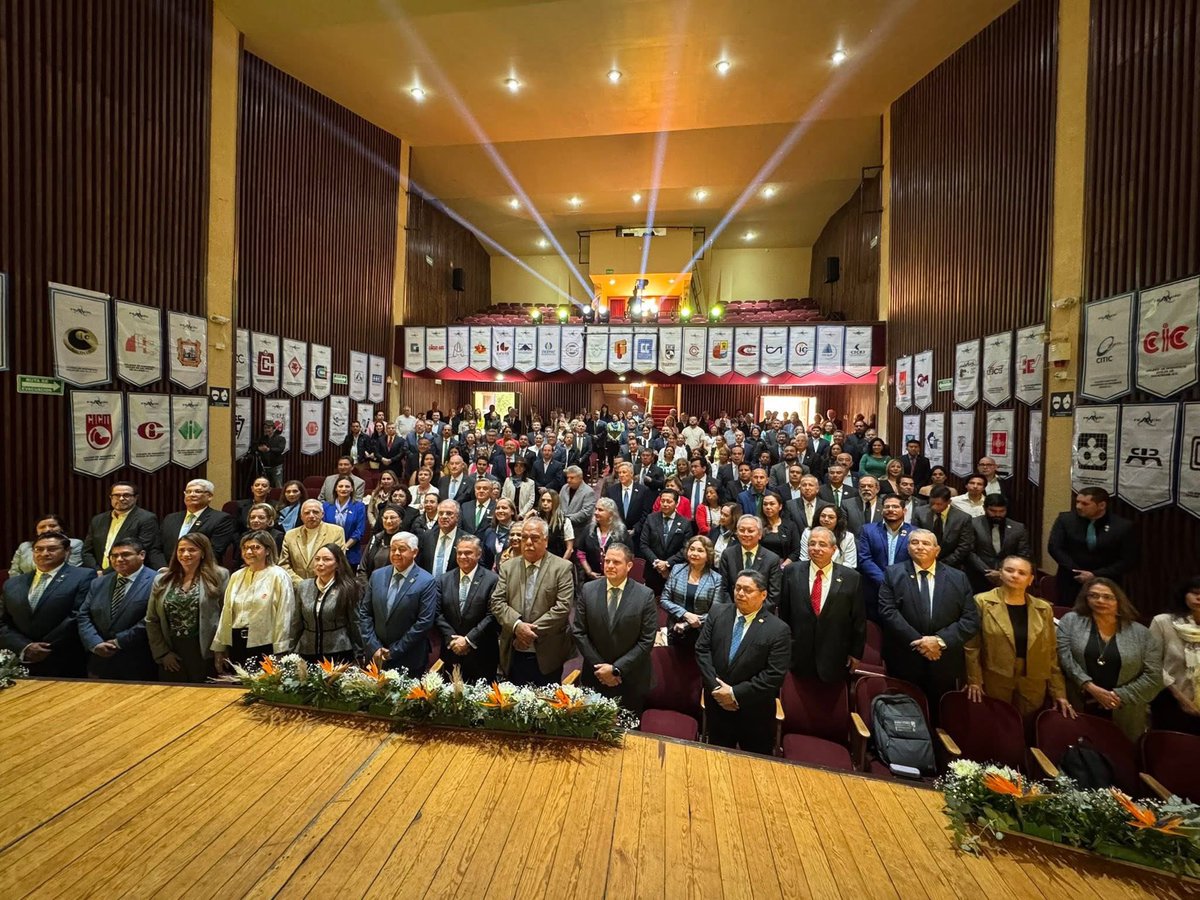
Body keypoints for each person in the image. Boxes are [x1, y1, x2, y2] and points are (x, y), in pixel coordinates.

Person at [877, 529, 980, 712]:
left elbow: (970, 620)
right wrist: (921, 643)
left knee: (941, 714)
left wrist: (939, 641)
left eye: (926, 543)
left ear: (937, 550)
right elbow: (888, 612)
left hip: (944, 662)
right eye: (914, 542)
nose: (920, 547)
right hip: (904, 659)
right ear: (908, 548)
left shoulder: (958, 578)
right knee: (904, 716)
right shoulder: (893, 574)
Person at [695, 569, 792, 755]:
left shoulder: (778, 630)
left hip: (753, 713)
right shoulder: (717, 612)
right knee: (717, 760)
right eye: (737, 588)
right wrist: (717, 689)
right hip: (717, 707)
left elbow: (774, 675)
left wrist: (734, 693)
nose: (740, 593)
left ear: (763, 595)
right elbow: (702, 650)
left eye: (747, 590)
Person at [964, 555, 1072, 721]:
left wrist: (1059, 692)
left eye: (1022, 573)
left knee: (1027, 723)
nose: (1015, 575)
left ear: (1030, 580)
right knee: (997, 722)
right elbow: (972, 645)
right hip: (996, 675)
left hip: (1034, 678)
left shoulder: (1043, 608)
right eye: (1009, 570)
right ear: (1000, 573)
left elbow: (1050, 652)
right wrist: (974, 679)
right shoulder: (982, 602)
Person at [1057, 578, 1162, 740]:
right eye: (1093, 595)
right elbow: (1064, 658)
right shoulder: (1071, 621)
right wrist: (1090, 687)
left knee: (1120, 750)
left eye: (1107, 597)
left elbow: (1154, 676)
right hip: (1080, 701)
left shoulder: (1141, 633)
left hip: (1124, 708)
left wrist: (1118, 696)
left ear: (1119, 600)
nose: (1100, 600)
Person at [572, 543, 658, 713]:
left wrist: (616, 669)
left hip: (630, 679)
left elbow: (646, 640)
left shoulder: (645, 595)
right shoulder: (588, 590)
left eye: (616, 562)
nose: (610, 566)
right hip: (596, 676)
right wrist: (601, 669)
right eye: (607, 561)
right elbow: (579, 632)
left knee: (627, 728)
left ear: (629, 566)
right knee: (592, 726)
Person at [490, 517, 575, 686]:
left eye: (535, 538)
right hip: (514, 648)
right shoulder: (508, 567)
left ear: (546, 541)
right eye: (524, 537)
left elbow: (563, 607)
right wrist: (517, 626)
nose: (528, 542)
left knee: (547, 699)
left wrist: (528, 633)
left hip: (548, 650)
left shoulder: (562, 568)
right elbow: (497, 602)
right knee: (514, 699)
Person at [0, 531, 94, 677]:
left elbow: (77, 615)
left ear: (67, 552)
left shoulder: (83, 576)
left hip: (64, 659)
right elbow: (2, 621)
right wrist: (24, 646)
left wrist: (44, 647)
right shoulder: (13, 583)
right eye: (39, 549)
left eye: (52, 549)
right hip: (20, 659)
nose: (44, 553)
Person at [779, 526, 865, 682]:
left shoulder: (851, 577)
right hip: (798, 654)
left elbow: (858, 620)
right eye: (812, 544)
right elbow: (784, 614)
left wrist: (856, 653)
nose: (816, 548)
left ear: (834, 549)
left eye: (822, 544)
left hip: (835, 655)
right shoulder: (791, 572)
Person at [144, 532, 227, 683]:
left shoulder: (219, 576)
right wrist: (162, 653)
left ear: (203, 552)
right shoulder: (162, 580)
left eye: (192, 550)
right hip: (172, 651)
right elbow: (152, 620)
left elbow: (225, 616)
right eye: (181, 550)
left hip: (206, 651)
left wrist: (220, 649)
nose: (185, 554)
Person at [211, 531, 294, 670]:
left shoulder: (279, 576)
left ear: (267, 551)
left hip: (265, 644)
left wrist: (281, 650)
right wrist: (219, 647)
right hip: (236, 643)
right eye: (245, 548)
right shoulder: (236, 576)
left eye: (255, 547)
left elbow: (284, 616)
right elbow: (226, 613)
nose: (249, 552)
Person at [77, 538, 158, 680]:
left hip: (139, 660)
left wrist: (119, 642)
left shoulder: (158, 581)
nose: (119, 559)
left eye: (125, 554)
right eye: (114, 556)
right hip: (99, 659)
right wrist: (95, 643)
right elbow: (84, 615)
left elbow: (152, 618)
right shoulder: (99, 582)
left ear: (142, 555)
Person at [358, 532, 437, 674]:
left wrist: (394, 651)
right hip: (376, 656)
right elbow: (365, 613)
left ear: (414, 552)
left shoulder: (427, 581)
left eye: (402, 549)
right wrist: (374, 646)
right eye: (393, 549)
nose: (396, 553)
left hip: (409, 658)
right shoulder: (377, 575)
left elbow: (424, 622)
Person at [1047, 487, 1138, 608]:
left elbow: (1128, 560)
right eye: (1077, 502)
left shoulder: (1122, 526)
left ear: (1102, 505)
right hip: (1070, 581)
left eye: (1085, 504)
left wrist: (1094, 574)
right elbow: (1055, 547)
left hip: (1106, 582)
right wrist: (1077, 571)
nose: (1079, 506)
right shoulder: (1065, 520)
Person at [436, 536, 499, 682]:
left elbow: (492, 614)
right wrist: (453, 639)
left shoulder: (492, 580)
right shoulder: (443, 580)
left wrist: (468, 640)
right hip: (451, 651)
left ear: (479, 554)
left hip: (481, 653)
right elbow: (437, 613)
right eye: (459, 553)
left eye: (468, 553)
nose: (463, 556)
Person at [292, 543, 362, 663]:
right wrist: (291, 650)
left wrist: (360, 652)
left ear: (338, 564)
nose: (320, 563)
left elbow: (355, 622)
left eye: (326, 559)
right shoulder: (303, 587)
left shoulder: (348, 588)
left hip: (339, 652)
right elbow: (296, 623)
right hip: (307, 651)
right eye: (317, 559)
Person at [1149, 576, 1200, 734]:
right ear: (1184, 595)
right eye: (1195, 593)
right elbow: (1151, 662)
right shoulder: (1163, 622)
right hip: (1170, 700)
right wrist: (1180, 698)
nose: (1199, 598)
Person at [82, 482, 164, 573]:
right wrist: (97, 571)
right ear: (111, 498)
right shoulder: (98, 520)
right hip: (97, 573)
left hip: (128, 573)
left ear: (135, 498)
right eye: (116, 495)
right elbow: (87, 551)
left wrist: (105, 573)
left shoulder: (146, 519)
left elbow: (139, 550)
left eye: (126, 495)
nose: (121, 498)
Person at [659, 535, 724, 645]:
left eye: (700, 551)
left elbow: (715, 612)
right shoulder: (677, 570)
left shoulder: (716, 579)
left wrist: (687, 624)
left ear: (708, 555)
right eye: (692, 549)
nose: (694, 553)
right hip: (675, 629)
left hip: (702, 632)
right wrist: (685, 614)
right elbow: (664, 600)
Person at [857, 496, 913, 620]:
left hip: (904, 589)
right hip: (874, 589)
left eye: (895, 506)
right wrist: (884, 581)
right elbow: (865, 559)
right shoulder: (868, 530)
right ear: (882, 510)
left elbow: (914, 561)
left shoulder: (914, 532)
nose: (890, 509)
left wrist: (897, 582)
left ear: (904, 511)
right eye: (887, 507)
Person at [160, 479, 240, 565]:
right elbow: (158, 548)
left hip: (202, 570)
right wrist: (163, 568)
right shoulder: (170, 518)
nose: (192, 494)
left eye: (197, 491)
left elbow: (214, 552)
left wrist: (188, 568)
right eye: (188, 492)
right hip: (168, 569)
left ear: (209, 496)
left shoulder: (221, 519)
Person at [967, 494, 1032, 594]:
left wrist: (1002, 573)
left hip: (1009, 578)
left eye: (1002, 511)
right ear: (985, 508)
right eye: (993, 511)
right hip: (978, 577)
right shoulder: (973, 524)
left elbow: (1023, 554)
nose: (997, 514)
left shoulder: (1018, 528)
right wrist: (987, 571)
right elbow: (970, 552)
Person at [638, 488, 694, 595]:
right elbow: (644, 544)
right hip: (652, 571)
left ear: (676, 503)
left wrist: (668, 563)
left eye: (668, 501)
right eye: (662, 501)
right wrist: (657, 563)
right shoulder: (651, 519)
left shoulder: (685, 523)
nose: (665, 504)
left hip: (674, 571)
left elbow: (685, 549)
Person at [718, 515, 782, 611]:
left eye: (750, 531)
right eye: (742, 530)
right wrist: (734, 611)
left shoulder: (772, 559)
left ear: (760, 534)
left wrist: (754, 612)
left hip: (761, 613)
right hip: (732, 610)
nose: (746, 534)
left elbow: (774, 594)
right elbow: (723, 588)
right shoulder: (728, 554)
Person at [280, 499, 346, 584]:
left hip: (326, 585)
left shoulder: (336, 532)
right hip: (297, 586)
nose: (311, 515)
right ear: (301, 517)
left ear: (322, 514)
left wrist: (317, 584)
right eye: (307, 513)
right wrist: (301, 584)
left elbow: (339, 562)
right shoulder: (290, 535)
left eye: (315, 512)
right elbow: (284, 564)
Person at [913, 486, 974, 571]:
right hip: (923, 561)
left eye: (939, 504)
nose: (934, 507)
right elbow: (915, 538)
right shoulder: (919, 513)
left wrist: (943, 564)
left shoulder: (963, 518)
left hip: (951, 565)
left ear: (949, 502)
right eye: (932, 503)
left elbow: (964, 546)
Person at [9, 513, 88, 575]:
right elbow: (14, 571)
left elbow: (71, 569)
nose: (48, 530)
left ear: (61, 528)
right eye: (42, 527)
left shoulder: (74, 544)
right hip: (26, 585)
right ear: (36, 531)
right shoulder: (24, 546)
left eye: (52, 526)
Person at [322, 476, 367, 567]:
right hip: (329, 552)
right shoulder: (326, 506)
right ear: (336, 488)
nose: (343, 489)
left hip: (351, 553)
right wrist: (333, 549)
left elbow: (359, 531)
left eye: (347, 486)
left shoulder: (359, 507)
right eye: (340, 486)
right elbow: (323, 528)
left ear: (352, 489)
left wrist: (345, 547)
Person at [418, 499, 465, 579]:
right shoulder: (427, 536)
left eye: (449, 513)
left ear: (457, 517)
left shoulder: (465, 539)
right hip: (429, 583)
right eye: (441, 513)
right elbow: (420, 563)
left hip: (453, 584)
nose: (444, 516)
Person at [605, 462, 653, 538]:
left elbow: (646, 512)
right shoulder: (611, 490)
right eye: (619, 473)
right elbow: (608, 511)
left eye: (624, 472)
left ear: (631, 473)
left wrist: (636, 529)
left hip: (636, 534)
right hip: (616, 533)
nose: (621, 475)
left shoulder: (643, 490)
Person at [359, 506, 404, 581]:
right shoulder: (376, 538)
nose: (388, 521)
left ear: (400, 519)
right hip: (371, 583)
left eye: (392, 517)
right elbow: (363, 567)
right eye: (385, 518)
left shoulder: (405, 541)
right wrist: (366, 585)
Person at [759, 492, 799, 564]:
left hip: (784, 565)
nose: (768, 507)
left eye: (772, 504)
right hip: (762, 564)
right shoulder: (758, 525)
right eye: (765, 504)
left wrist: (784, 565)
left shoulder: (790, 525)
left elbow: (796, 550)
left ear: (780, 506)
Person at [537, 489, 576, 562]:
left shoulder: (564, 521)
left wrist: (560, 564)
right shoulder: (537, 519)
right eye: (543, 500)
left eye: (549, 501)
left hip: (558, 559)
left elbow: (569, 549)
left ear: (555, 502)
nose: (545, 503)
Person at [480, 498, 517, 571]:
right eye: (497, 508)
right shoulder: (489, 532)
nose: (500, 510)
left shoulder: (518, 531)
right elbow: (483, 558)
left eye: (504, 508)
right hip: (491, 574)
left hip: (512, 572)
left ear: (512, 512)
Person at [559, 465, 596, 534]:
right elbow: (559, 505)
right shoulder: (564, 488)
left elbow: (585, 513)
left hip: (579, 530)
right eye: (567, 477)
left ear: (580, 478)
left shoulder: (589, 492)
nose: (568, 480)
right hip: (562, 528)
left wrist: (567, 519)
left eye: (572, 478)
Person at [254, 419, 286, 487]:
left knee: (278, 485)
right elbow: (254, 447)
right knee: (264, 485)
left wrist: (269, 449)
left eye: (269, 428)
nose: (266, 430)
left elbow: (280, 449)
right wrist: (258, 448)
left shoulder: (280, 438)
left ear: (273, 429)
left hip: (276, 466)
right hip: (264, 466)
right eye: (265, 428)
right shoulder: (262, 439)